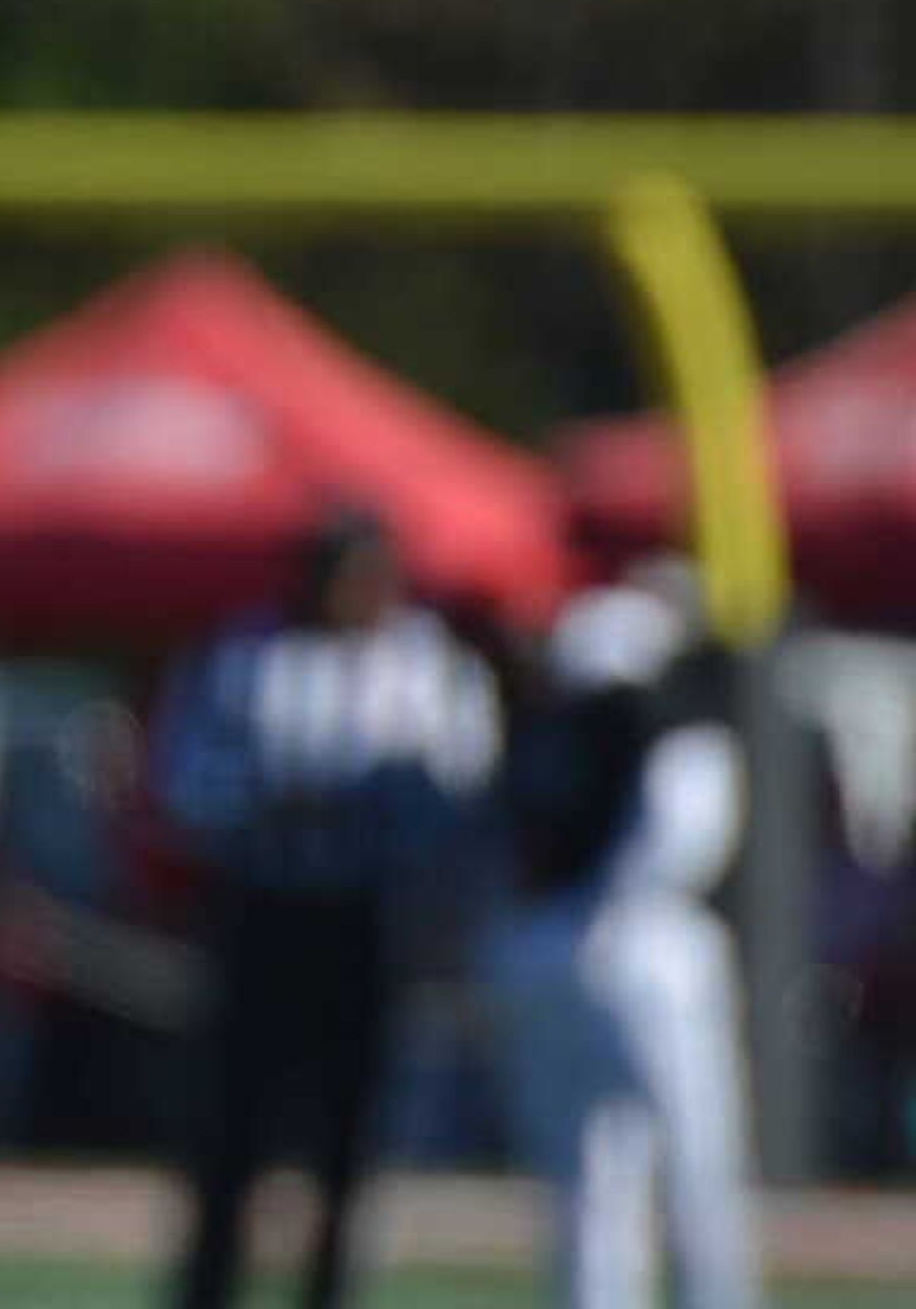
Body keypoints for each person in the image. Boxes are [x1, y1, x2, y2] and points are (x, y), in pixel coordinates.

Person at [151, 508, 499, 1309]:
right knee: (233, 1127)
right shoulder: (241, 654)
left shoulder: (426, 662)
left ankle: (330, 1291)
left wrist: (374, 803)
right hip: (263, 910)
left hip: (368, 916)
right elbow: (184, 776)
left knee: (350, 1132)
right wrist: (269, 800)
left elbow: (462, 785)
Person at [486, 570, 760, 1309]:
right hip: (643, 947)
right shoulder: (668, 726)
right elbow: (681, 840)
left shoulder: (555, 724)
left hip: (556, 944)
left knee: (599, 1169)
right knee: (681, 1159)